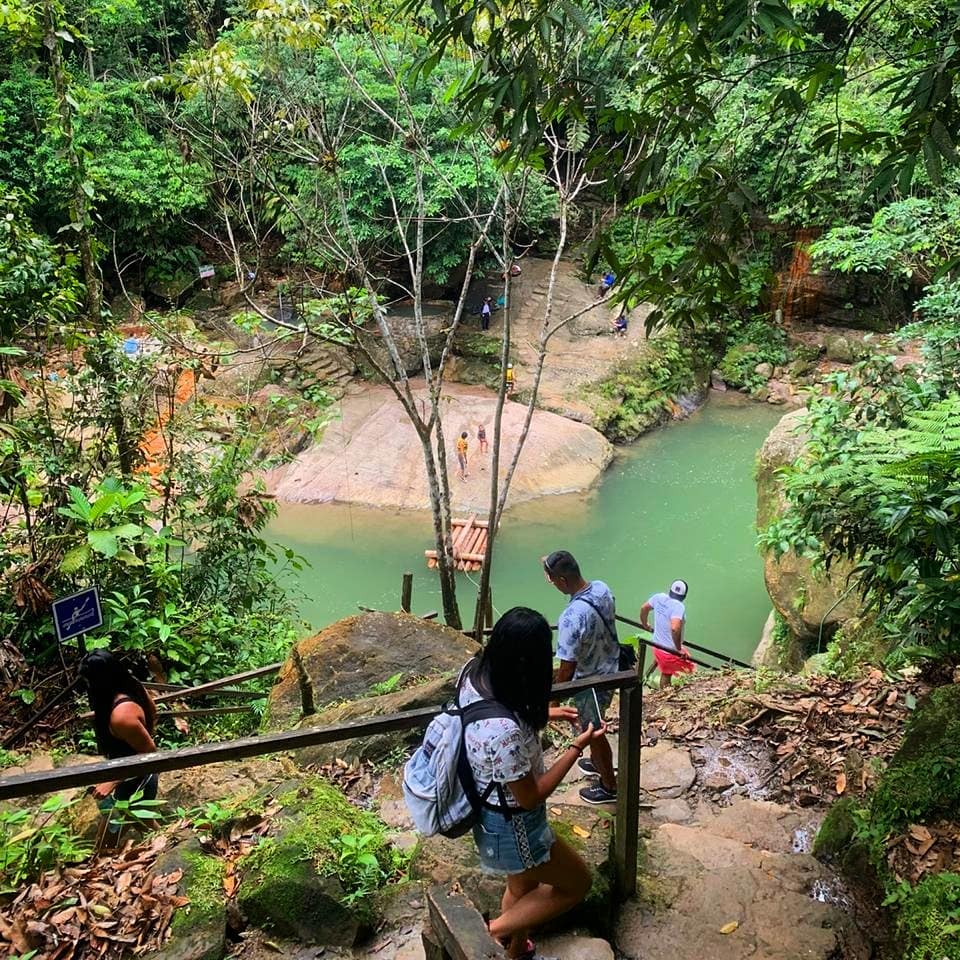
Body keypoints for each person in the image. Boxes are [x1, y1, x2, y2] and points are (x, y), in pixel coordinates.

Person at [462, 607, 601, 960]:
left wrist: (545, 712)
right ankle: (486, 933)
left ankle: (517, 952)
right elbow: (530, 795)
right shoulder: (503, 732)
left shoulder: (475, 674)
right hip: (515, 825)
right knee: (576, 884)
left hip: (493, 812)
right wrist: (575, 748)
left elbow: (500, 706)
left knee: (523, 885)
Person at [543, 550, 619, 804]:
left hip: (590, 682)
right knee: (594, 726)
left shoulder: (572, 617)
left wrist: (554, 701)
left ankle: (609, 786)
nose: (552, 585)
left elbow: (566, 667)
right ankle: (598, 763)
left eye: (552, 581)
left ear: (563, 581)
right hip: (613, 668)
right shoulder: (601, 588)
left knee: (593, 731)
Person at [80, 650, 158, 834]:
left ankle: (168, 845)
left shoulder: (122, 717)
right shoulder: (132, 685)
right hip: (126, 767)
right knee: (137, 818)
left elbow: (150, 753)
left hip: (137, 776)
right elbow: (152, 711)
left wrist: (113, 781)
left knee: (140, 819)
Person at [640, 580, 695, 689]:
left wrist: (645, 624)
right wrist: (678, 649)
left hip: (657, 646)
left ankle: (664, 693)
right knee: (692, 670)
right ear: (684, 596)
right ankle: (678, 692)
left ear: (670, 591)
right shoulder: (678, 606)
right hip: (670, 651)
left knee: (666, 672)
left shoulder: (658, 597)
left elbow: (644, 608)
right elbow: (675, 628)